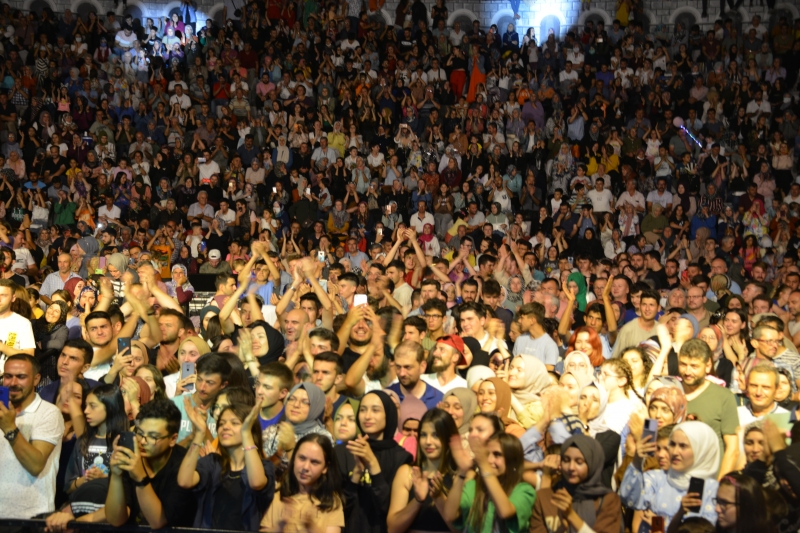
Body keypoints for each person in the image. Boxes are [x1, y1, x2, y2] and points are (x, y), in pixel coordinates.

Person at [177, 401, 275, 530]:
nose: (225, 427)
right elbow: (184, 481)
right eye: (221, 423)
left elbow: (256, 483)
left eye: (234, 423)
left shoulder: (264, 466)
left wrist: (246, 433)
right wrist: (199, 434)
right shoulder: (212, 462)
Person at [105, 399, 198, 527]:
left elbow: (158, 522)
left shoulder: (183, 466)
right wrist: (116, 476)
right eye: (140, 433)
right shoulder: (129, 457)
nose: (143, 441)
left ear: (173, 439)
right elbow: (115, 520)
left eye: (153, 437)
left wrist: (140, 478)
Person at [335, 390, 413, 533]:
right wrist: (357, 473)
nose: (367, 416)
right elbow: (339, 509)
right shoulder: (344, 451)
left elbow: (387, 509)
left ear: (388, 415)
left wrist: (373, 465)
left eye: (375, 410)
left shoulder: (401, 457)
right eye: (363, 410)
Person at [621, 421, 721, 527]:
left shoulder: (714, 490)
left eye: (683, 446)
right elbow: (630, 499)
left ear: (701, 450)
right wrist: (637, 460)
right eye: (672, 444)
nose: (674, 452)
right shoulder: (656, 478)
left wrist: (661, 525)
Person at [0, 354, 64, 518]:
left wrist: (9, 428)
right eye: (8, 376)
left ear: (36, 379)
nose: (13, 383)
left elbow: (35, 465)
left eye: (21, 377)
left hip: (31, 516)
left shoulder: (49, 413)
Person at [442, 431, 536, 533]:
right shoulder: (474, 485)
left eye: (497, 455)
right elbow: (449, 515)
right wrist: (462, 471)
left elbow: (505, 512)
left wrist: (484, 466)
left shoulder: (525, 490)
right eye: (486, 454)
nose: (489, 460)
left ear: (512, 460)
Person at [530, 434, 622, 533]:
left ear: (592, 464)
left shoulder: (607, 500)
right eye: (566, 460)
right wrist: (561, 529)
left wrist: (571, 516)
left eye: (579, 462)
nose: (571, 467)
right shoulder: (546, 496)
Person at [387, 408, 458, 533]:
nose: (428, 442)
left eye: (435, 435)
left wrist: (438, 497)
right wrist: (418, 500)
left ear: (448, 437)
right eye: (424, 435)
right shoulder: (407, 473)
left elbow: (464, 529)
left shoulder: (459, 476)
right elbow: (393, 528)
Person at [64, 383, 129, 494]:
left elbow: (130, 487)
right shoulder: (82, 441)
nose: (86, 411)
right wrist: (86, 478)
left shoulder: (124, 443)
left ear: (110, 407)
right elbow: (68, 487)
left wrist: (104, 478)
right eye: (86, 405)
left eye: (92, 406)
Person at [261, 382, 333, 467]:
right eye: (292, 399)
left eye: (304, 402)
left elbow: (306, 472)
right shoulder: (272, 430)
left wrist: (290, 448)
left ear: (315, 407)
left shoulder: (322, 437)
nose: (296, 405)